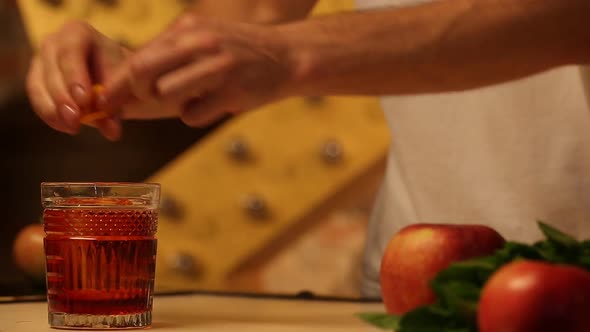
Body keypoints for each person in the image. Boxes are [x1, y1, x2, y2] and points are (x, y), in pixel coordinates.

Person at [25, 0, 590, 298]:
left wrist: (291, 56)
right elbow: (255, 14)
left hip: (572, 277)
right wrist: (139, 67)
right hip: (412, 285)